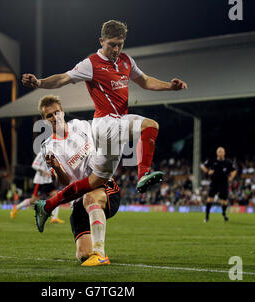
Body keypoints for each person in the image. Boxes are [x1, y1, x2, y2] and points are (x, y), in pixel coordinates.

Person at [23, 20, 187, 228]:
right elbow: (64, 78)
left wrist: (170, 87)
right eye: (112, 44)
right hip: (105, 123)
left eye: (120, 44)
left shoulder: (126, 61)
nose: (116, 49)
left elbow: (145, 81)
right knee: (150, 125)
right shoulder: (91, 63)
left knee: (95, 181)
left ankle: (47, 206)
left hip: (116, 124)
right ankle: (143, 173)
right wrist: (39, 83)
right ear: (101, 41)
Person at [37, 95, 121, 266]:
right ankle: (93, 249)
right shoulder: (48, 147)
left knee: (90, 197)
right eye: (49, 116)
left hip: (104, 187)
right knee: (83, 255)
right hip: (77, 198)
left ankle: (100, 254)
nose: (55, 118)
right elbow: (66, 181)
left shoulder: (81, 126)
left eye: (57, 113)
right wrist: (58, 167)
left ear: (63, 112)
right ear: (44, 120)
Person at [11, 151, 64, 224]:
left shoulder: (53, 155)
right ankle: (16, 208)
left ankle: (54, 218)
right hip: (40, 181)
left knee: (57, 197)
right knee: (33, 200)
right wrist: (44, 172)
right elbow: (34, 165)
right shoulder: (41, 154)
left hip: (48, 181)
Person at [201, 147, 237, 222]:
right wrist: (207, 171)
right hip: (214, 182)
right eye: (219, 151)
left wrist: (231, 177)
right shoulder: (212, 160)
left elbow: (234, 170)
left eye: (222, 151)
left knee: (224, 201)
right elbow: (202, 166)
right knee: (210, 199)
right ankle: (207, 217)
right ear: (217, 153)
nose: (220, 153)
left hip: (224, 183)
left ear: (224, 153)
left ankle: (224, 213)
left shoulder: (228, 162)